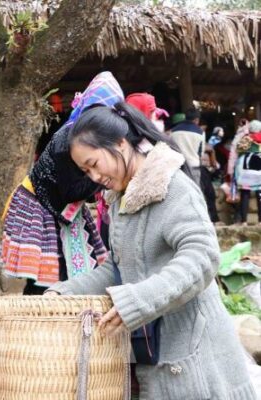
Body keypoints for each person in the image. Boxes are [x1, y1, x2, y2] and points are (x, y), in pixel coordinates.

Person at [44, 103, 255, 399]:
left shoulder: (174, 187)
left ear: (120, 143)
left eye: (94, 163)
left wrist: (138, 300)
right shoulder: (121, 199)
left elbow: (203, 257)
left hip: (199, 363)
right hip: (158, 359)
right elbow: (118, 267)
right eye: (86, 171)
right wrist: (64, 292)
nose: (93, 176)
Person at [2, 72, 118, 295]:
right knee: (48, 273)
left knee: (77, 269)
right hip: (41, 204)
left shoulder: (89, 141)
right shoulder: (68, 143)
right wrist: (104, 176)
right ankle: (40, 313)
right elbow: (71, 191)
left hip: (62, 207)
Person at [231, 119, 261, 225]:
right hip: (259, 168)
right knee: (259, 194)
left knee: (245, 194)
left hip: (246, 169)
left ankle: (244, 220)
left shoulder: (246, 138)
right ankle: (260, 221)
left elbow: (238, 150)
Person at [170, 107, 204, 185]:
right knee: (195, 189)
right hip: (193, 166)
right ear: (196, 120)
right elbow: (200, 153)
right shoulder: (200, 132)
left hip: (178, 167)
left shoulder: (173, 131)